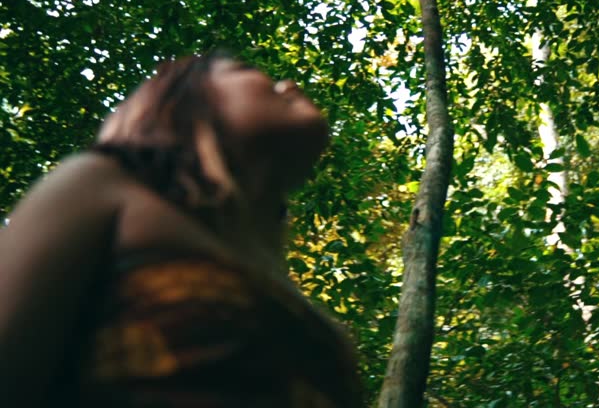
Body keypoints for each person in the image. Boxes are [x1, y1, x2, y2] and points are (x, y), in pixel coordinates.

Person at [0, 53, 363, 406]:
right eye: (244, 69)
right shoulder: (98, 182)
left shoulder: (279, 278)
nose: (289, 85)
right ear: (186, 104)